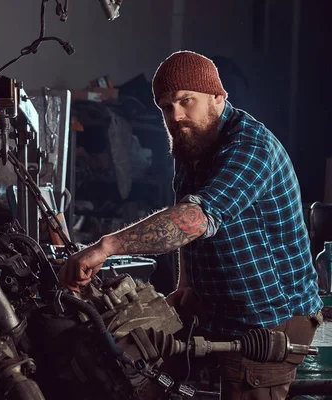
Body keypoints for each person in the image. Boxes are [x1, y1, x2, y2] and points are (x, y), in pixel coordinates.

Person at [58, 50, 323, 399]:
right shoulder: (191, 145)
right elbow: (187, 216)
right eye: (167, 107)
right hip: (219, 310)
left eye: (186, 101)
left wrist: (106, 246)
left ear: (218, 97)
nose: (176, 116)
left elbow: (195, 220)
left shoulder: (250, 147)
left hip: (269, 320)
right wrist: (187, 285)